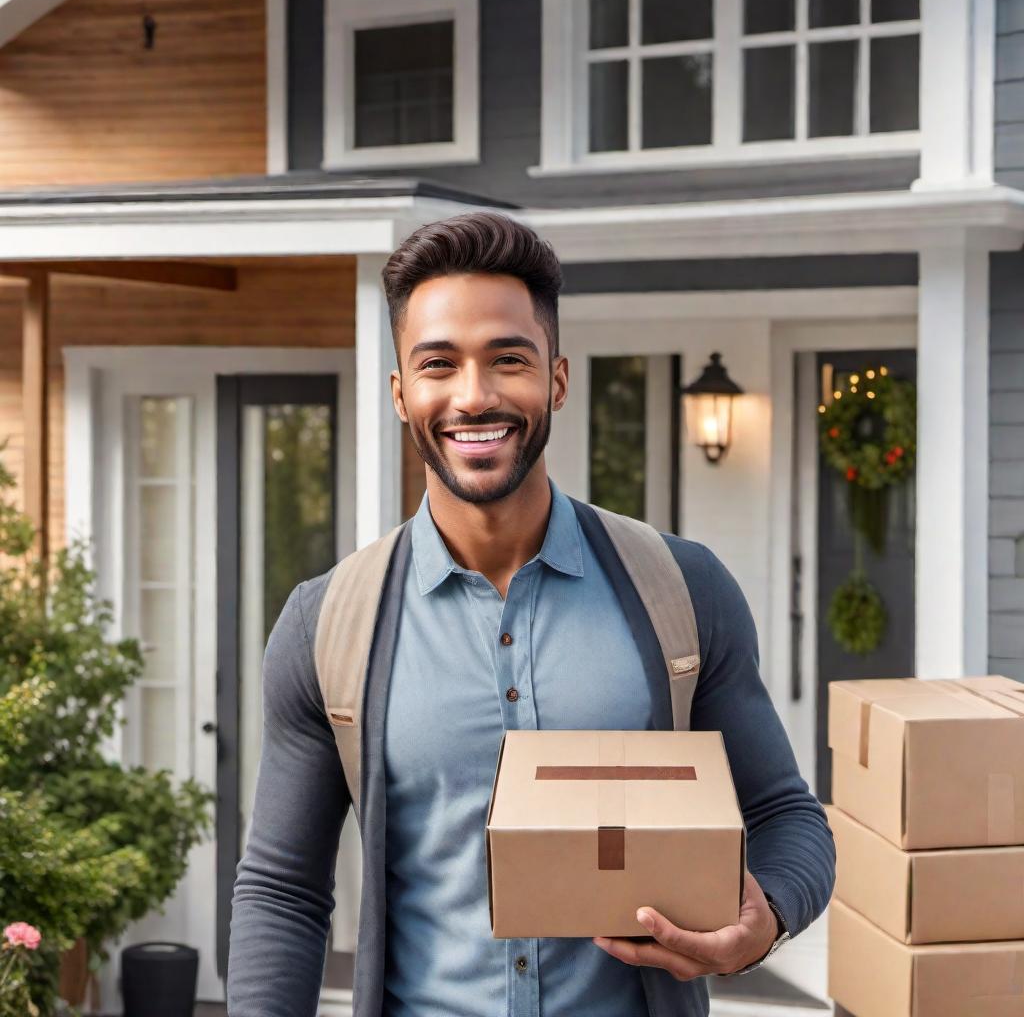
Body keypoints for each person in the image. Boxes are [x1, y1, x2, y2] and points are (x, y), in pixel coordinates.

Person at [227, 212, 835, 1017]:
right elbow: (281, 892)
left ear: (556, 378)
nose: (474, 395)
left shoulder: (682, 592)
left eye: (507, 360)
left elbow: (787, 818)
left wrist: (763, 924)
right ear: (401, 394)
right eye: (438, 364)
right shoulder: (327, 625)